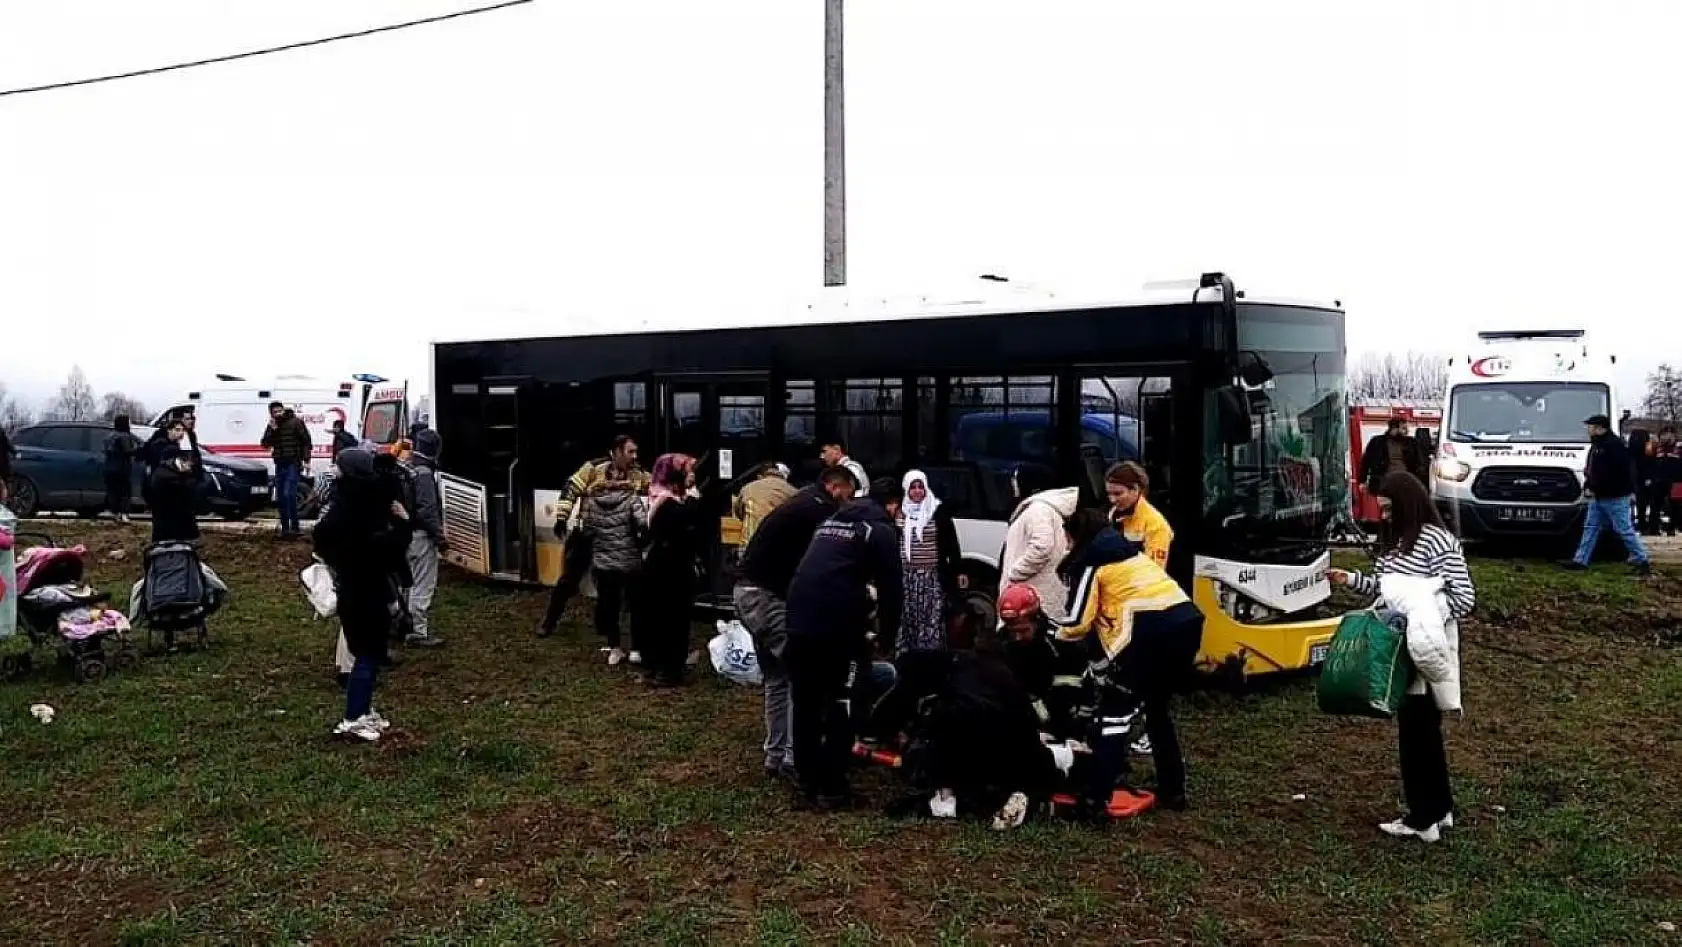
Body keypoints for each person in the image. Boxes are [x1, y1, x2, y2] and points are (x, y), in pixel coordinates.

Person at [1327, 471, 1476, 843]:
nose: (1385, 517)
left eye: (1390, 509)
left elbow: (1464, 598)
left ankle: (1421, 817)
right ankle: (1439, 809)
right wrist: (1350, 580)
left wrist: (1420, 612)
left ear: (1407, 504)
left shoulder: (1437, 542)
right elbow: (1384, 587)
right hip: (1397, 647)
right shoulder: (1393, 541)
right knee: (1422, 731)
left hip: (1421, 649)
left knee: (1417, 735)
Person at [1050, 508, 1204, 818]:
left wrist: (1049, 629)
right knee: (1157, 710)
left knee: (1114, 717)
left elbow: (1078, 622)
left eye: (1067, 538)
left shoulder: (1092, 560)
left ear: (1077, 534)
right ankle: (1173, 790)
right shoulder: (1127, 552)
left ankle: (1095, 800)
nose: (1066, 546)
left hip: (1148, 634)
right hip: (1186, 623)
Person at [784, 477, 905, 809]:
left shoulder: (833, 520)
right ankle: (833, 788)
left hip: (797, 616)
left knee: (806, 701)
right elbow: (893, 589)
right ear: (892, 505)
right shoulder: (879, 529)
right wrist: (888, 638)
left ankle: (807, 778)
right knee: (844, 700)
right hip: (836, 625)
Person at [734, 466, 859, 781]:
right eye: (850, 493)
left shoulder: (802, 502)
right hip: (766, 599)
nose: (851, 501)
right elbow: (820, 566)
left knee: (776, 678)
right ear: (834, 486)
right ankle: (793, 757)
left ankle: (775, 756)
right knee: (802, 676)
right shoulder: (821, 511)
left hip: (748, 593)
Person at [314, 448, 410, 742]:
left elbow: (322, 540)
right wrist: (404, 523)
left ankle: (364, 710)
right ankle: (353, 718)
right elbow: (391, 549)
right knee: (367, 655)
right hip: (366, 590)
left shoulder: (342, 505)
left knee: (367, 653)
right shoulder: (368, 508)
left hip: (355, 587)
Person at [537, 436, 649, 638]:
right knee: (569, 581)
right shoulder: (593, 468)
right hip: (587, 533)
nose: (635, 456)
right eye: (630, 452)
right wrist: (562, 517)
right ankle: (549, 622)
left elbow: (656, 488)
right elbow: (571, 489)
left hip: (618, 539)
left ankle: (604, 627)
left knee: (609, 585)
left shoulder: (638, 473)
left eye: (635, 452)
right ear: (616, 451)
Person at [638, 453, 704, 687]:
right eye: (687, 471)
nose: (692, 476)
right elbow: (687, 520)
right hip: (669, 570)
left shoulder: (663, 496)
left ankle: (661, 666)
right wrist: (695, 495)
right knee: (671, 620)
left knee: (664, 619)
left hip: (665, 567)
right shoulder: (667, 502)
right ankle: (667, 670)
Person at [579, 464, 649, 666]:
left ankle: (615, 648)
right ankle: (636, 649)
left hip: (604, 563)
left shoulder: (593, 501)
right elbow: (643, 525)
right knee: (636, 607)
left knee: (610, 607)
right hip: (630, 562)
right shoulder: (631, 499)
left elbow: (588, 529)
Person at [1569, 414, 1650, 577]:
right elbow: (1591, 470)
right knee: (1590, 527)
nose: (1588, 430)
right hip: (1599, 495)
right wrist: (1589, 485)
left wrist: (1594, 487)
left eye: (1590, 426)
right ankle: (1580, 560)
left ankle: (1642, 560)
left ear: (1600, 428)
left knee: (1624, 529)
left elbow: (1612, 474)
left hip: (1614, 496)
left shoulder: (1613, 446)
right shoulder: (1599, 445)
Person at [999, 464, 1080, 623]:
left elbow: (1042, 546)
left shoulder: (1039, 509)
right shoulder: (1040, 508)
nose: (1013, 486)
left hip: (1033, 593)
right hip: (1035, 591)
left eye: (1015, 481)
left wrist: (1015, 572)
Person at [895, 469, 960, 653]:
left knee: (931, 618)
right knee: (908, 618)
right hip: (907, 578)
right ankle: (908, 659)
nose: (917, 492)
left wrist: (958, 570)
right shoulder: (900, 513)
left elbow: (951, 544)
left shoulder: (936, 511)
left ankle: (930, 658)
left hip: (930, 578)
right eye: (913, 488)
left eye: (920, 487)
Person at [402, 429, 447, 648]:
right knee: (423, 584)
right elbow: (427, 510)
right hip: (420, 536)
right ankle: (418, 632)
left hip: (404, 535)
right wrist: (440, 539)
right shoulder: (425, 474)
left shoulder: (407, 468)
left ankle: (404, 625)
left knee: (408, 583)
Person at [1105, 462, 1173, 570]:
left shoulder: (1156, 525)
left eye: (1118, 494)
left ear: (1135, 489)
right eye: (1109, 494)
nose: (1112, 500)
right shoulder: (1113, 514)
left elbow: (1153, 572)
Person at [262, 401, 313, 538]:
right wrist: (272, 430)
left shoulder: (295, 422)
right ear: (271, 414)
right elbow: (265, 444)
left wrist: (307, 460)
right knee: (281, 497)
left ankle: (295, 528)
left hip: (293, 463)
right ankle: (285, 529)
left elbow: (306, 442)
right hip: (280, 464)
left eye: (280, 410)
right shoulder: (273, 426)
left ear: (284, 410)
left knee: (289, 494)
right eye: (275, 412)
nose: (278, 413)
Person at [148, 418, 203, 544]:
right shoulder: (161, 445)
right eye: (177, 430)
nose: (181, 433)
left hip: (175, 488)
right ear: (169, 430)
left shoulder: (184, 443)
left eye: (183, 430)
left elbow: (192, 461)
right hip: (164, 488)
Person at [733, 462, 797, 547]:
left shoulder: (748, 488)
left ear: (761, 476)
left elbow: (738, 512)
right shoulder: (792, 491)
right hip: (779, 544)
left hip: (750, 542)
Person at [1359, 418, 1428, 493]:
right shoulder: (1377, 442)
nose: (1407, 431)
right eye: (1403, 428)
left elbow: (1421, 462)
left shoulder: (1411, 443)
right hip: (1383, 481)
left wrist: (1418, 480)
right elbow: (1366, 462)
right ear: (1394, 428)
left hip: (1406, 480)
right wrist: (1362, 480)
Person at [102, 415, 142, 524]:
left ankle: (115, 514)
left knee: (113, 492)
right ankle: (124, 515)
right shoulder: (124, 436)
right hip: (122, 469)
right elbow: (128, 451)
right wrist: (139, 449)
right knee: (125, 493)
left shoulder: (110, 436)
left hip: (109, 468)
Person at [1655, 428, 1680, 537]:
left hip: (1677, 481)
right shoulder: (1658, 448)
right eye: (1663, 435)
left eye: (1668, 435)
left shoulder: (1679, 447)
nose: (1665, 437)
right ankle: (1654, 528)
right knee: (1656, 503)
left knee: (1675, 505)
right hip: (1660, 480)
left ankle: (1672, 528)